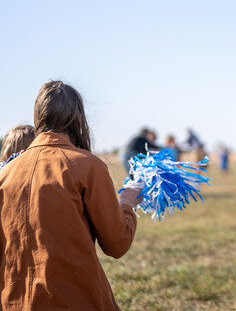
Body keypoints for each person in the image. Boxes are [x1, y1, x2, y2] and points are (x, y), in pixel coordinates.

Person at [0, 80, 143, 309]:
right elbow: (117, 244)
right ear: (78, 118)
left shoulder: (5, 174)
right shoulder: (88, 166)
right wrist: (127, 203)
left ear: (38, 116)